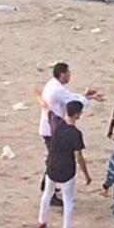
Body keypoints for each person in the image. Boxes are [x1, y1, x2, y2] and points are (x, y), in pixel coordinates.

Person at [35, 62, 102, 206]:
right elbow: (73, 102)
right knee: (54, 160)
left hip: (51, 127)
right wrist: (86, 99)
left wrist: (85, 96)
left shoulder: (53, 85)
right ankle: (48, 190)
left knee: (52, 158)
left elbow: (70, 97)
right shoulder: (57, 89)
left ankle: (48, 188)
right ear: (62, 74)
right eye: (68, 73)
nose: (70, 75)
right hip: (52, 130)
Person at [36, 100, 92, 228]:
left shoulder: (57, 124)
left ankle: (41, 222)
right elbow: (79, 157)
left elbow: (46, 107)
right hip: (67, 169)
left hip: (52, 166)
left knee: (47, 194)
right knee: (68, 199)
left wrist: (37, 95)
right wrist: (86, 175)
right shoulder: (76, 134)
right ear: (78, 114)